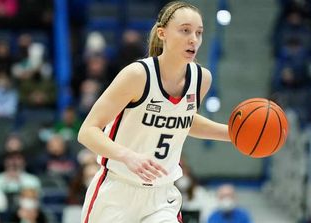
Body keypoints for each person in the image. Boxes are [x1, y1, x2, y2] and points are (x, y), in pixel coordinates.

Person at [77, 1, 230, 223]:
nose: (193, 39)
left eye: (199, 33)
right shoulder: (137, 75)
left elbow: (183, 120)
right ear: (162, 33)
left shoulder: (201, 79)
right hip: (118, 191)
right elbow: (87, 131)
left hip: (161, 196)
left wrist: (234, 134)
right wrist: (127, 155)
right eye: (185, 30)